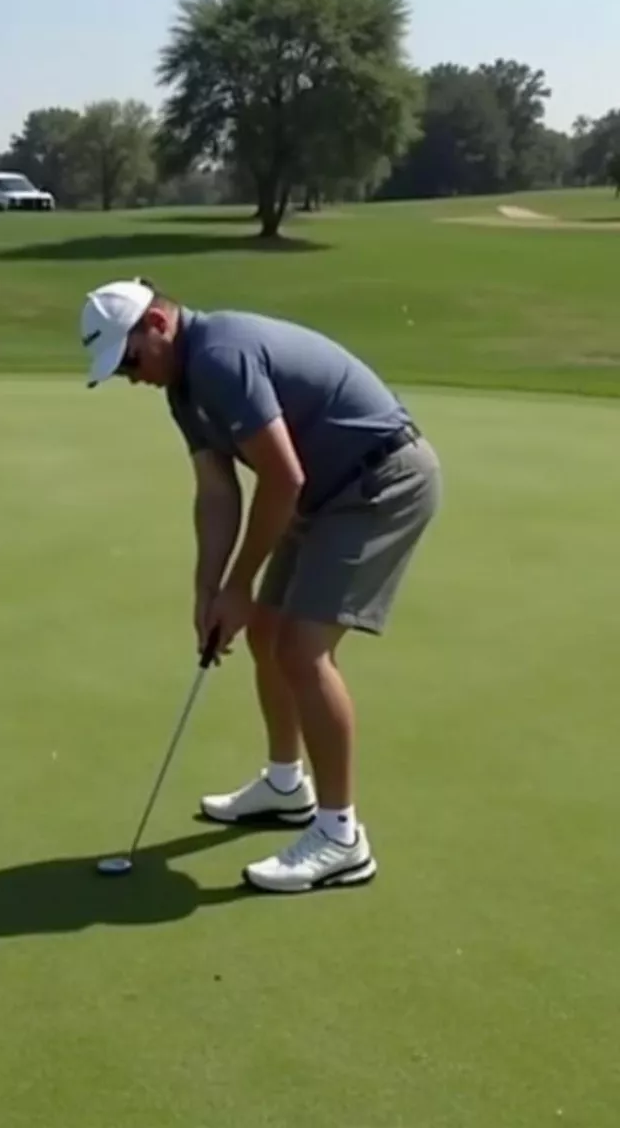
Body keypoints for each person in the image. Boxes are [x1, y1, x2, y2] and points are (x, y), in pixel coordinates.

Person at [77, 277, 442, 894]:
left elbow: (281, 476)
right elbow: (217, 492)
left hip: (380, 481)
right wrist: (208, 590)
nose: (132, 376)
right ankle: (284, 786)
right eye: (119, 371)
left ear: (159, 325)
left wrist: (240, 586)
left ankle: (341, 837)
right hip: (321, 493)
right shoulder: (181, 388)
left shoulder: (220, 355)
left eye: (131, 360)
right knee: (267, 632)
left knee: (302, 650)